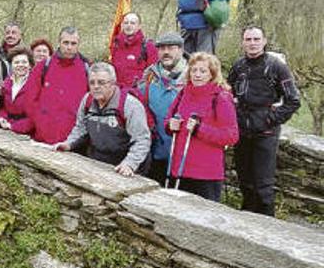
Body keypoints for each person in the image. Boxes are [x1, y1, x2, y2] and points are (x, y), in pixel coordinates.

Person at [227, 27, 301, 216]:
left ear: (264, 41)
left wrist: (271, 119)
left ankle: (267, 226)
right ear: (242, 42)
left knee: (263, 186)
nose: (252, 43)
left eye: (256, 39)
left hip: (266, 133)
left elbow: (293, 100)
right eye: (248, 39)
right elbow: (227, 95)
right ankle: (247, 222)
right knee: (244, 181)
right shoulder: (238, 66)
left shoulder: (277, 66)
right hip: (242, 131)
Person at [165, 52, 239, 201]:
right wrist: (170, 125)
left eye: (203, 71)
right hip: (179, 169)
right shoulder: (184, 93)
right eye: (194, 70)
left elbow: (231, 136)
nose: (197, 75)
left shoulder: (221, 97)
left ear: (212, 74)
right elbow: (170, 119)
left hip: (205, 175)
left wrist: (200, 129)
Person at [54, 63, 151, 177]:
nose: (96, 87)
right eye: (92, 82)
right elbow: (80, 128)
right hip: (98, 160)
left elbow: (142, 140)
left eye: (101, 82)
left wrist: (129, 164)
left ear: (113, 84)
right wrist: (68, 144)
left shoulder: (130, 105)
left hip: (127, 163)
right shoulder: (87, 100)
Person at [136, 32, 188, 185]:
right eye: (162, 48)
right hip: (155, 152)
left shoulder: (196, 75)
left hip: (186, 156)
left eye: (171, 48)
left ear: (180, 49)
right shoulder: (149, 77)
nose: (166, 52)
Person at [26, 27, 90, 144]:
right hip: (42, 136)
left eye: (73, 43)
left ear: (78, 45)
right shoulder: (43, 66)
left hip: (72, 140)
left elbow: (90, 103)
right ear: (59, 43)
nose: (69, 47)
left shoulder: (86, 69)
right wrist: (39, 122)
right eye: (65, 42)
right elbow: (30, 99)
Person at [110, 12, 156, 88]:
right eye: (126, 23)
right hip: (118, 92)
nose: (129, 25)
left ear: (139, 26)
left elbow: (154, 74)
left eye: (132, 23)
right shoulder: (116, 45)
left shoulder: (148, 46)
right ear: (122, 25)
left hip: (138, 93)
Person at [0, 48, 35, 135]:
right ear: (11, 65)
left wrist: (12, 126)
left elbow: (35, 116)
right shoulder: (7, 82)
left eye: (24, 62)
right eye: (16, 62)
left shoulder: (37, 84)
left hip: (27, 132)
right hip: (6, 129)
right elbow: (4, 107)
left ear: (30, 65)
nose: (20, 65)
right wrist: (2, 118)